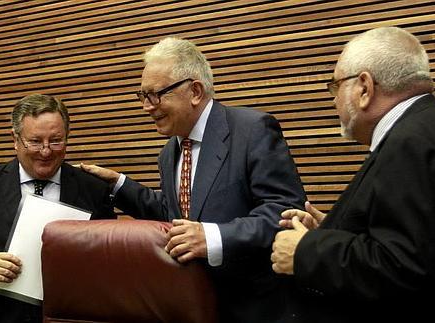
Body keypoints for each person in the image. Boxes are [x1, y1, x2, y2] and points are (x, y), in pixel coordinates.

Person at [271, 26, 435, 322]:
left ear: (364, 88)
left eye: (335, 86)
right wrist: (336, 229)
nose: (333, 100)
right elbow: (425, 236)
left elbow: (404, 266)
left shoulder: (411, 144)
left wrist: (306, 251)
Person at [81, 37, 306, 322]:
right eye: (143, 96)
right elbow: (177, 214)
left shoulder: (252, 131)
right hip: (191, 306)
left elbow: (284, 212)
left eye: (155, 94)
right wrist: (119, 185)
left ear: (195, 91)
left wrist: (212, 237)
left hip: (255, 309)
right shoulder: (169, 151)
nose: (147, 107)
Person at [0, 94, 115, 323]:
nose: (45, 151)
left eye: (56, 140)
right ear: (15, 139)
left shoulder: (94, 188)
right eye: (35, 141)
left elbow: (109, 257)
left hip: (72, 314)